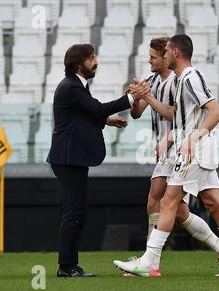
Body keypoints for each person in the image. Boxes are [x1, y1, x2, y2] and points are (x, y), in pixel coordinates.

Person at [115, 34, 219, 277]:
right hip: (196, 148)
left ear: (175, 53)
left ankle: (149, 263)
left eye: (165, 52)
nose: (163, 56)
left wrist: (193, 137)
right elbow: (187, 116)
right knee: (214, 204)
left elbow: (217, 112)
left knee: (168, 201)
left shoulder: (189, 77)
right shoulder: (183, 79)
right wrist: (176, 135)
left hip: (194, 150)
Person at [47, 44, 149, 277]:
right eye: (91, 58)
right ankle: (67, 266)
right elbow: (96, 108)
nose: (96, 62)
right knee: (74, 213)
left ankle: (69, 265)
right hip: (68, 159)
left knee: (76, 213)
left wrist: (106, 120)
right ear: (78, 63)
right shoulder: (72, 87)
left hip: (72, 158)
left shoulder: (75, 86)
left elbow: (85, 115)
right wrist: (132, 97)